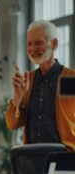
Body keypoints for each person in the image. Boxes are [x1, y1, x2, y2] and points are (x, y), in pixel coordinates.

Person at [5, 20, 75, 151]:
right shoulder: (28, 80)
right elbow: (12, 124)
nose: (32, 49)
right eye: (29, 44)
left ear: (54, 44)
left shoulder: (69, 78)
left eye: (38, 43)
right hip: (32, 159)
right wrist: (17, 97)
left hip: (64, 158)